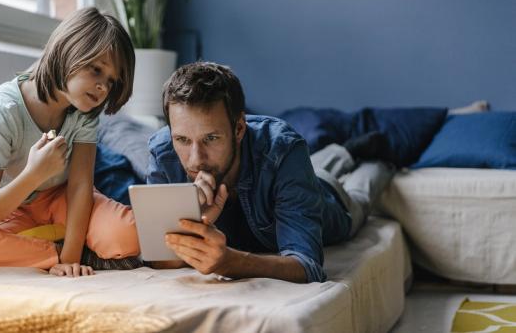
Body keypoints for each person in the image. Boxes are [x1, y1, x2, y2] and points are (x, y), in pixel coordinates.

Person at [0, 7, 140, 277]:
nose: (103, 86)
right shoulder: (1, 112)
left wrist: (71, 257)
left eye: (111, 81)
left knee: (132, 234)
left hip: (64, 203)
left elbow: (80, 187)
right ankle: (58, 252)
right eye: (96, 69)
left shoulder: (85, 113)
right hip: (14, 210)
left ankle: (66, 247)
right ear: (69, 50)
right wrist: (34, 175)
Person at [147, 62, 394, 283]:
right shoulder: (163, 152)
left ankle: (381, 161)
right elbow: (158, 258)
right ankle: (345, 151)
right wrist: (194, 222)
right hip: (297, 175)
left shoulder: (283, 149)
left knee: (358, 195)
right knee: (313, 167)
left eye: (211, 138)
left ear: (239, 128)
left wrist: (230, 262)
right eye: (182, 139)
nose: (195, 159)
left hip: (328, 200)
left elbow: (308, 266)